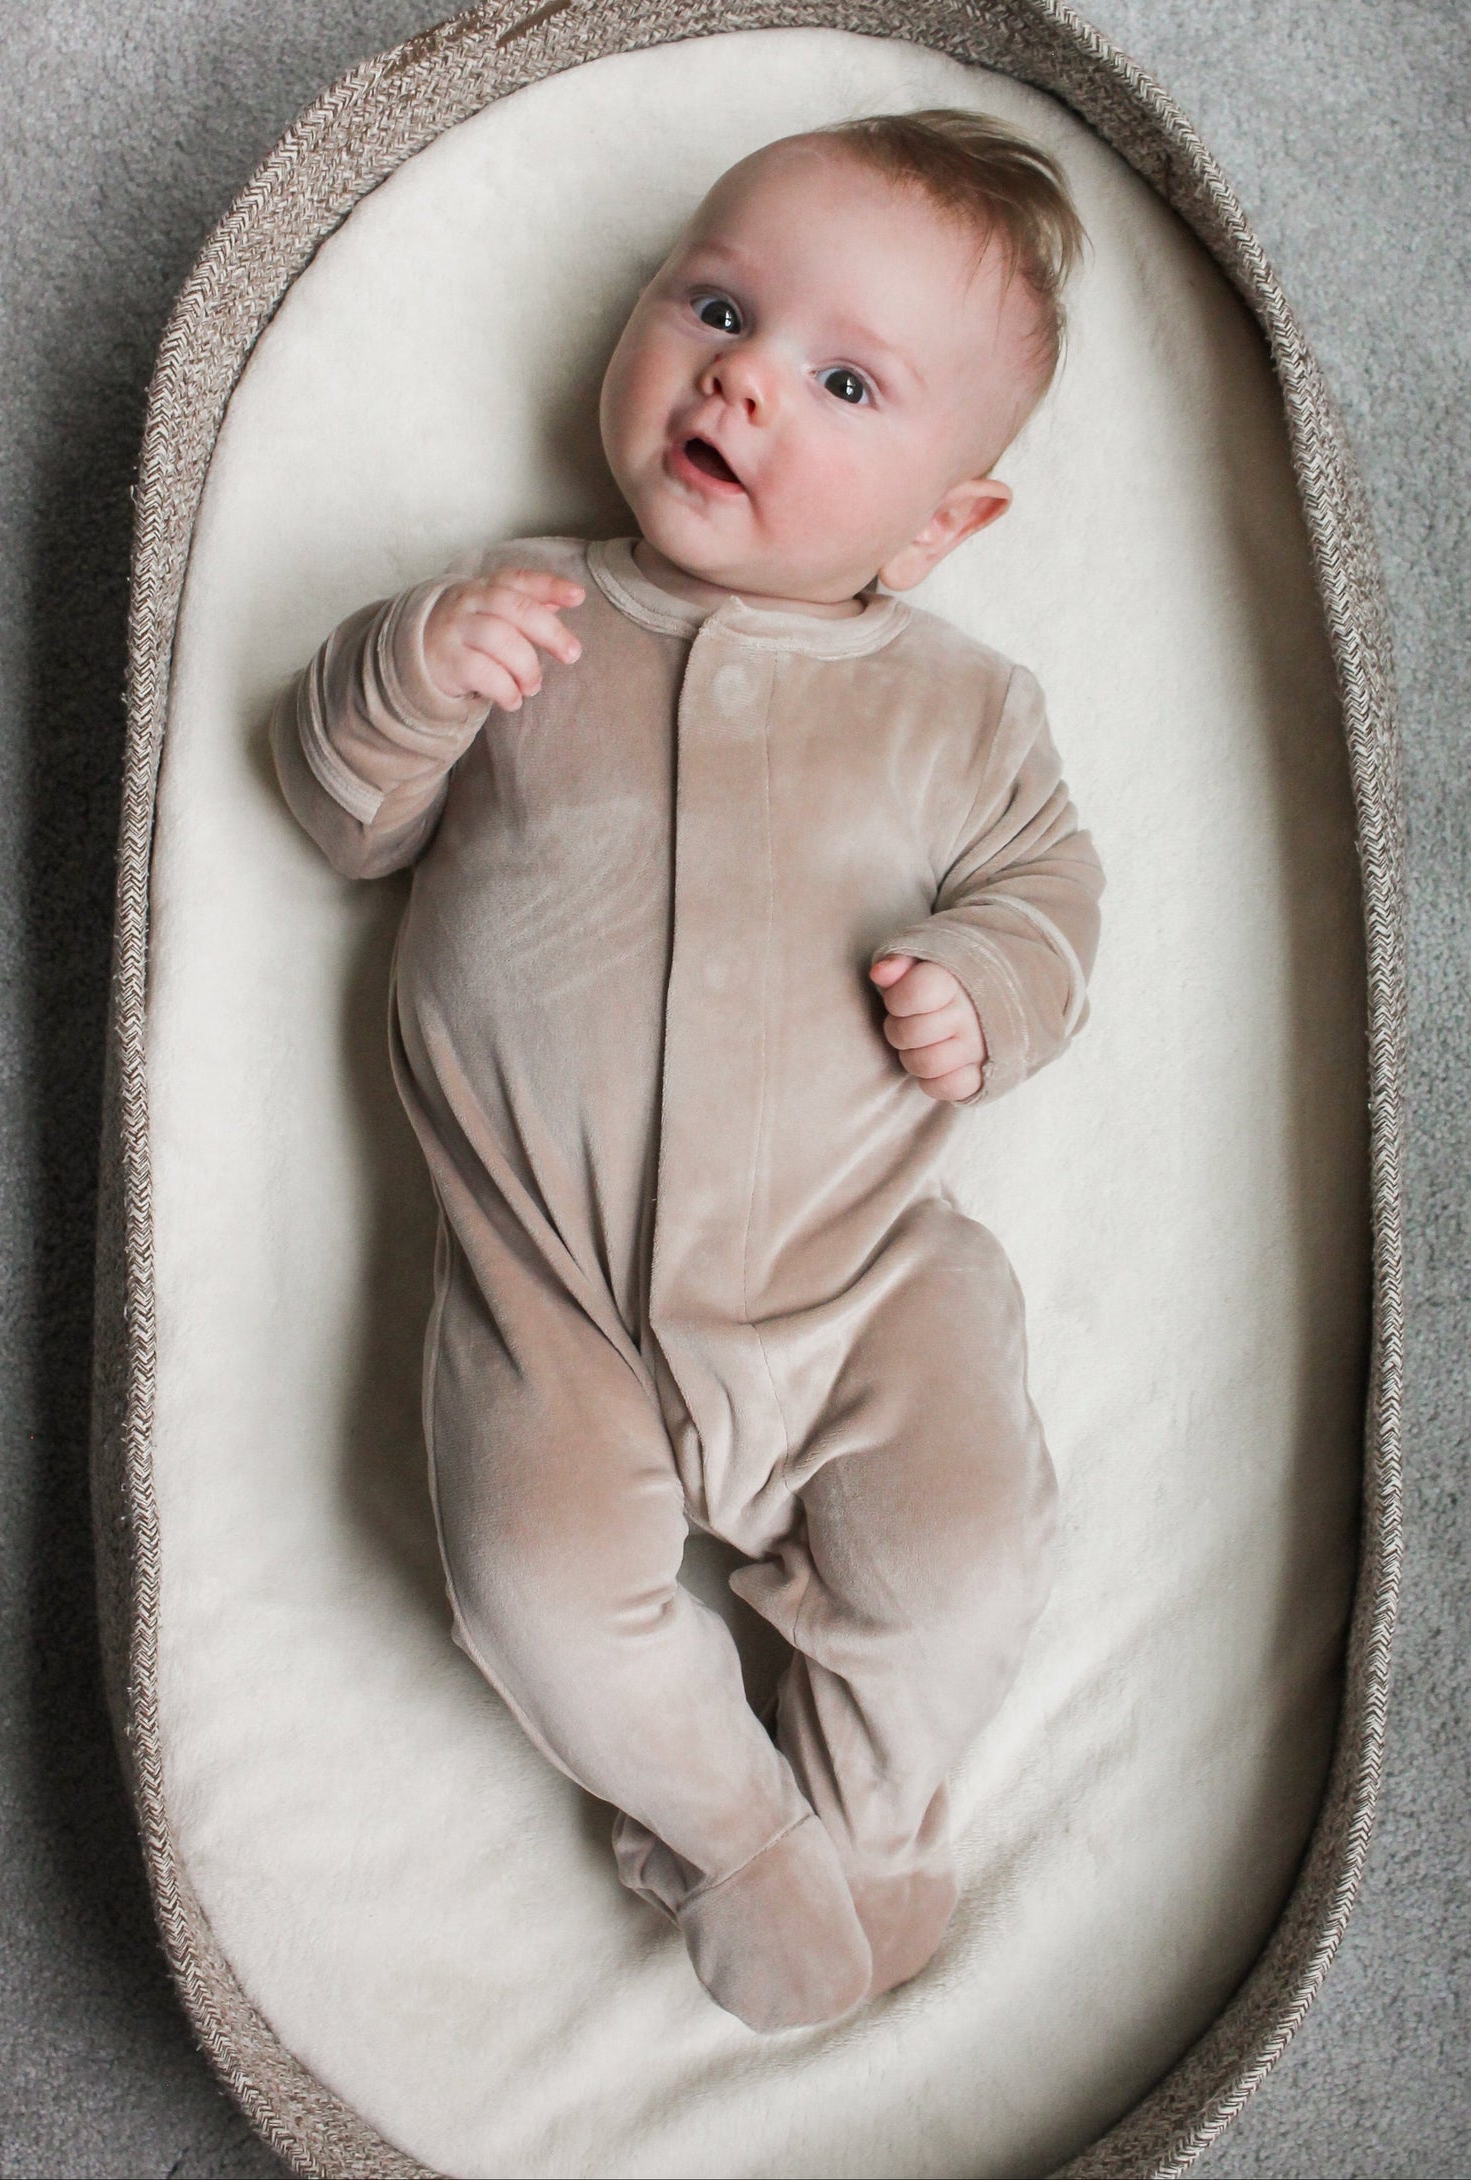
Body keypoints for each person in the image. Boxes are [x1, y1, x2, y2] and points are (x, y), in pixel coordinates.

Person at [271, 109, 1104, 2032]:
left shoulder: (963, 710)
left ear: (941, 526)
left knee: (964, 1555)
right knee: (530, 1581)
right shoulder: (521, 615)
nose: (742, 379)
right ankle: (744, 1842)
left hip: (858, 1285)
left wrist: (992, 982)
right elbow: (338, 815)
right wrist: (406, 675)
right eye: (715, 309)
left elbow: (1056, 897)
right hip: (550, 1293)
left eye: (844, 382)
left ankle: (876, 1825)